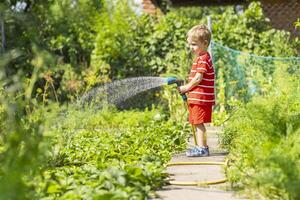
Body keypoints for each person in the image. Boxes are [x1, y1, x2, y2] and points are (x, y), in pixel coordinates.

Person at [178, 24, 215, 157]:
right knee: (196, 122)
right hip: (197, 98)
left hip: (201, 98)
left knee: (199, 124)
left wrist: (186, 88)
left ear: (205, 43)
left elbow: (198, 78)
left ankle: (203, 149)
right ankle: (200, 147)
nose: (191, 48)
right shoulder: (200, 58)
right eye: (189, 45)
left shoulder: (204, 59)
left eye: (194, 44)